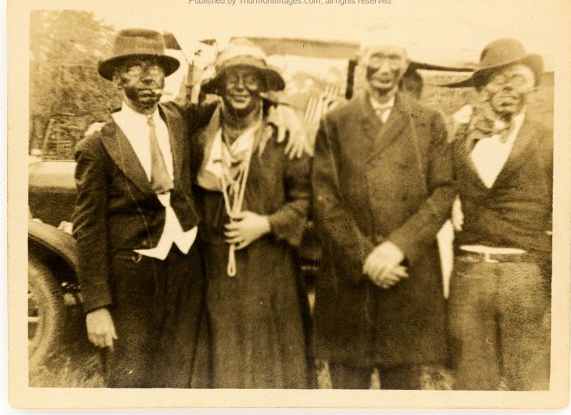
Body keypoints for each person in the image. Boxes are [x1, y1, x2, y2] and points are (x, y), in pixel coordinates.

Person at [311, 28, 455, 389]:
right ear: (362, 62)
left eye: (394, 58)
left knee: (402, 391)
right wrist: (365, 257)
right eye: (377, 56)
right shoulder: (336, 121)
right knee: (348, 392)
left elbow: (443, 191)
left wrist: (397, 248)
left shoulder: (428, 121)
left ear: (405, 64)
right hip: (350, 280)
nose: (385, 67)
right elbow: (324, 196)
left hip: (406, 278)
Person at [72, 28, 209, 387]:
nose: (150, 77)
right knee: (130, 379)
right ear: (117, 78)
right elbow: (87, 230)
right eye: (135, 67)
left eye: (157, 67)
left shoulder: (178, 119)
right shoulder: (97, 145)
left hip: (185, 267)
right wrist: (96, 306)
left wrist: (283, 112)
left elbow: (225, 103)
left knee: (181, 377)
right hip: (131, 280)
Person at [193, 40, 311, 388]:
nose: (241, 86)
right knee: (221, 362)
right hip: (215, 269)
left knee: (270, 368)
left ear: (263, 86)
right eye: (233, 78)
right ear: (220, 86)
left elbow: (306, 201)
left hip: (269, 270)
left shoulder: (285, 139)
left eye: (251, 78)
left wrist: (267, 224)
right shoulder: (201, 137)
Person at [446, 38, 552, 390]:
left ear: (533, 87)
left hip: (524, 275)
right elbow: (437, 188)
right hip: (469, 273)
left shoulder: (552, 140)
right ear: (480, 89)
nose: (507, 87)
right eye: (496, 79)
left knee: (532, 382)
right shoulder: (458, 140)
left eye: (517, 78)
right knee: (473, 382)